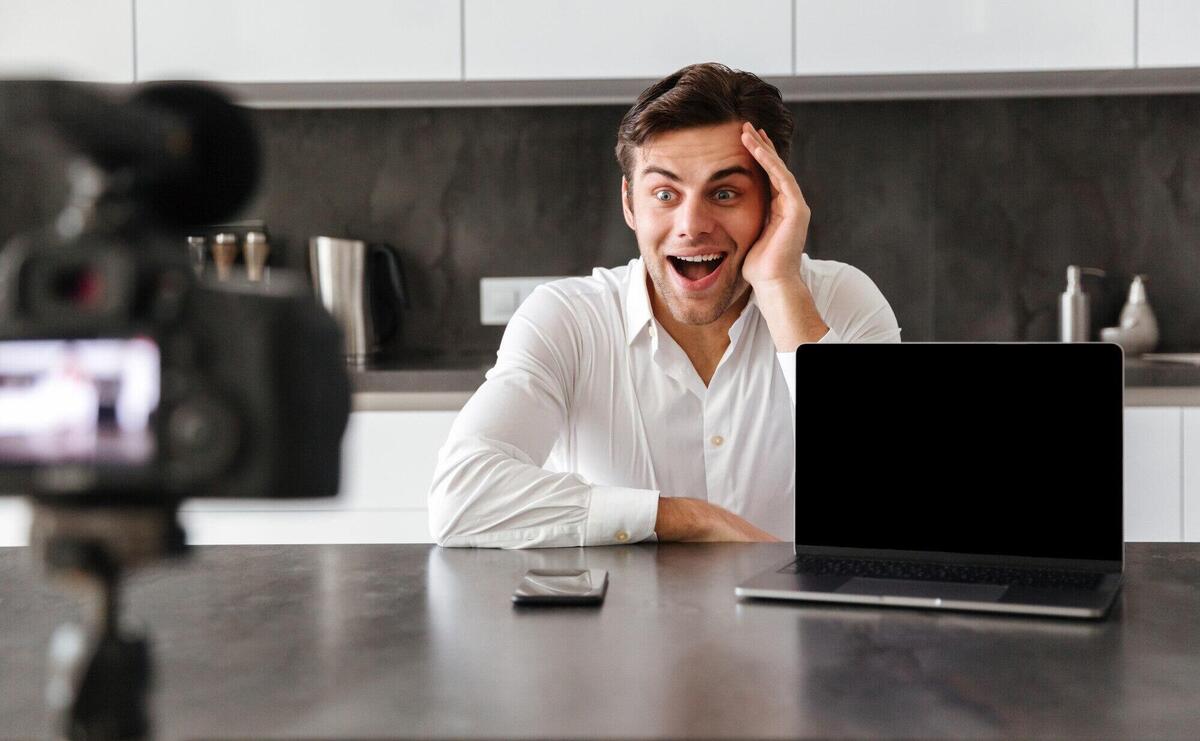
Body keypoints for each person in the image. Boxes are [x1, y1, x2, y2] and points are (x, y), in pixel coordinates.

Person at [429, 63, 901, 548]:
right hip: (618, 624)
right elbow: (461, 497)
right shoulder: (567, 320)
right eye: (665, 194)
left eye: (725, 193)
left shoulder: (841, 301)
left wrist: (781, 286)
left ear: (774, 202)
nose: (692, 224)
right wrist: (687, 518)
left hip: (802, 623)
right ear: (630, 205)